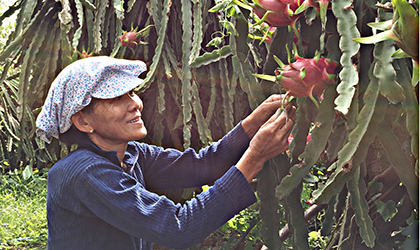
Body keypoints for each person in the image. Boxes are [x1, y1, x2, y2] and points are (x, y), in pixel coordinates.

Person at [36, 56, 295, 250]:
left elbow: (203, 165)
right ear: (83, 122)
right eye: (116, 99)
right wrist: (255, 157)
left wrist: (251, 124)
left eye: (132, 93)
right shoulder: (84, 172)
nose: (134, 105)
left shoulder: (130, 153)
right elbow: (178, 227)